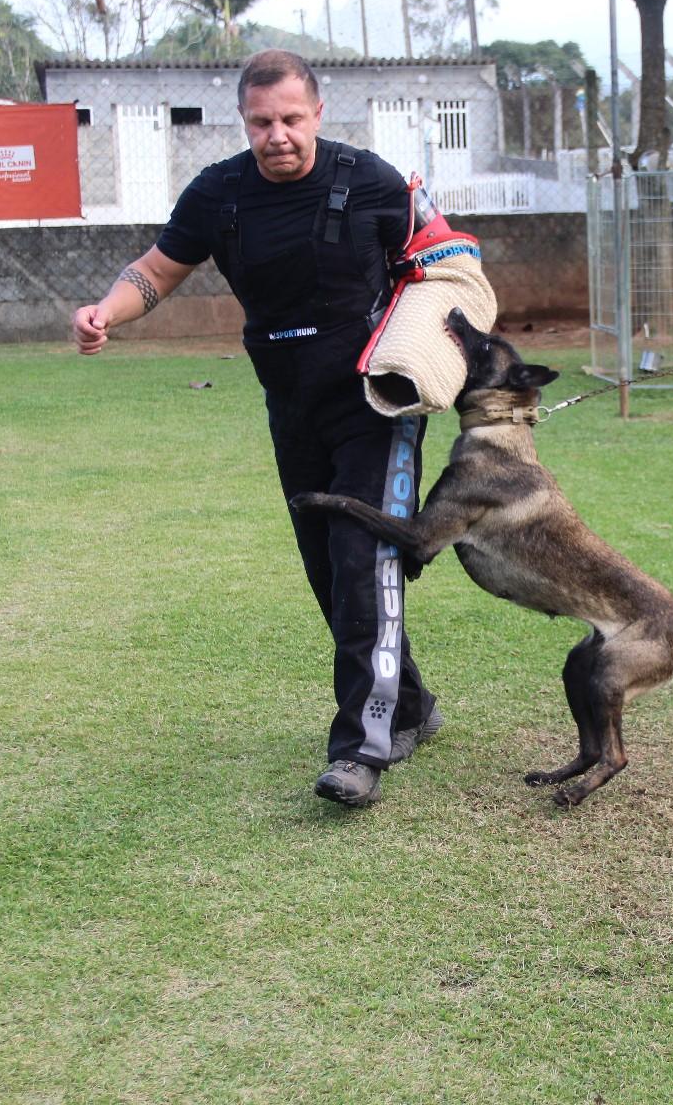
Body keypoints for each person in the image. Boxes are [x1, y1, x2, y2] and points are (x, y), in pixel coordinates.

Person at [72, 49, 442, 808]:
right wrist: (106, 311)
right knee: (327, 569)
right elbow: (156, 271)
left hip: (377, 405)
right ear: (243, 122)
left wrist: (441, 356)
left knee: (361, 556)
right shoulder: (219, 194)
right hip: (293, 406)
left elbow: (449, 260)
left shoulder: (370, 179)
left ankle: (359, 752)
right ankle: (409, 705)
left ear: (318, 114)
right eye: (261, 122)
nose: (277, 135)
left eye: (291, 119)